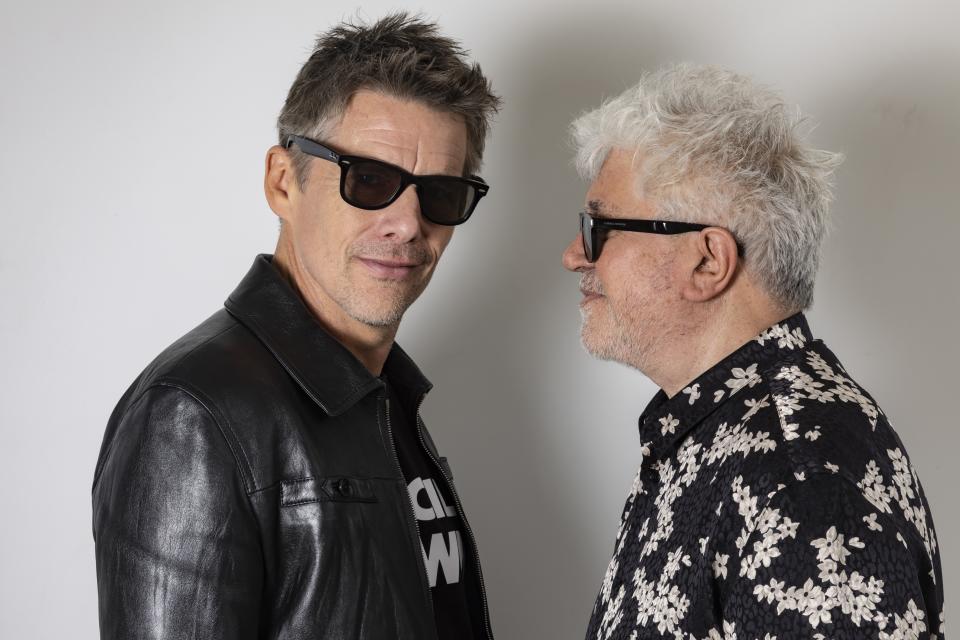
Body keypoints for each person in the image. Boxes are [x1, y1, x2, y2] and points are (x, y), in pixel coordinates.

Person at [92, 13, 499, 640]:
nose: (408, 224)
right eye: (370, 181)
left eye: (440, 193)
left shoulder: (386, 396)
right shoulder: (192, 415)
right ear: (284, 181)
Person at [562, 64, 944, 638]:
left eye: (599, 228)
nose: (574, 255)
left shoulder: (799, 480)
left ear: (708, 261)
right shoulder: (719, 433)